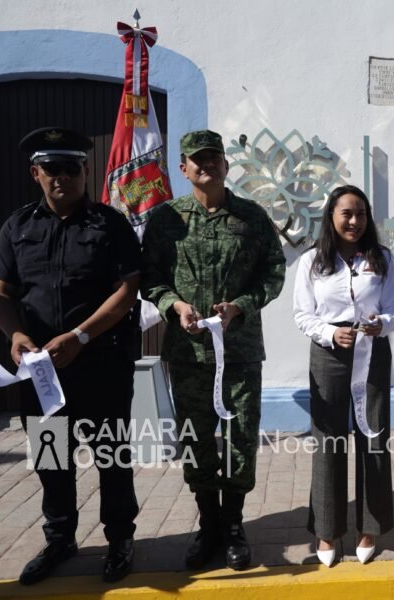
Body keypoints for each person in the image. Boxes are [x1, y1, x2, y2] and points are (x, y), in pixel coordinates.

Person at [0, 126, 141, 584]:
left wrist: (81, 336)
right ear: (36, 173)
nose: (62, 178)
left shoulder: (109, 224)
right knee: (52, 458)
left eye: (71, 168)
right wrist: (14, 336)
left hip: (100, 366)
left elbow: (127, 291)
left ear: (85, 171)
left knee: (111, 457)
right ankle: (60, 539)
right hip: (43, 374)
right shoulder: (18, 226)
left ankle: (119, 539)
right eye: (51, 169)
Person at [141, 130, 285, 570]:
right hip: (188, 354)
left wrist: (240, 307)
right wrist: (175, 305)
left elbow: (273, 274)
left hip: (239, 353)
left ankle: (235, 524)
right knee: (197, 441)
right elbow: (151, 279)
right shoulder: (166, 219)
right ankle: (209, 526)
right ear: (183, 169)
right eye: (196, 160)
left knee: (240, 440)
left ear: (226, 165)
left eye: (213, 158)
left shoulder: (252, 217)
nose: (205, 166)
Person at [292, 184, 394, 566]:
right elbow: (302, 314)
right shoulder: (312, 261)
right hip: (328, 353)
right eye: (346, 214)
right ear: (332, 217)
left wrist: (381, 324)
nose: (354, 221)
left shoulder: (382, 258)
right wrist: (329, 333)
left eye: (360, 214)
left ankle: (369, 527)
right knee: (328, 441)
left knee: (373, 436)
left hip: (372, 352)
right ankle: (327, 531)